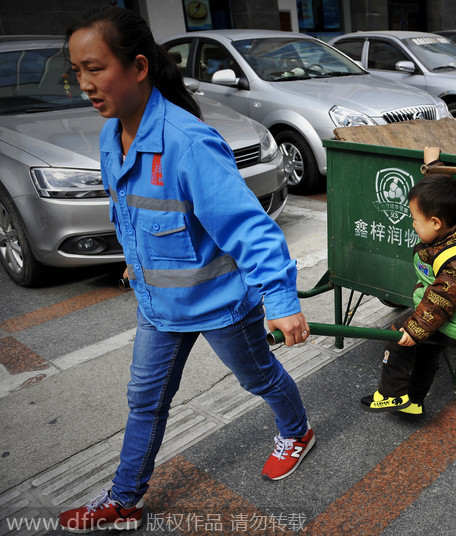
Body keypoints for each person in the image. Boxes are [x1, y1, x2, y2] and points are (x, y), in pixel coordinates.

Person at [59, 7, 314, 532]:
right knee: (145, 402)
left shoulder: (188, 143)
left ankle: (297, 429)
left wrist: (284, 303)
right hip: (159, 305)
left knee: (260, 378)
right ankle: (123, 499)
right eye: (76, 71)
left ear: (137, 66)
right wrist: (134, 261)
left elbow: (250, 227)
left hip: (222, 303)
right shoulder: (112, 137)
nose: (85, 84)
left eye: (94, 68)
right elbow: (129, 209)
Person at [360, 174, 456, 416]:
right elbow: (445, 198)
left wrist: (414, 328)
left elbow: (442, 299)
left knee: (397, 336)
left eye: (415, 219)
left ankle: (391, 395)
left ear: (437, 223)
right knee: (427, 350)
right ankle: (415, 402)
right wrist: (433, 168)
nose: (412, 224)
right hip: (453, 318)